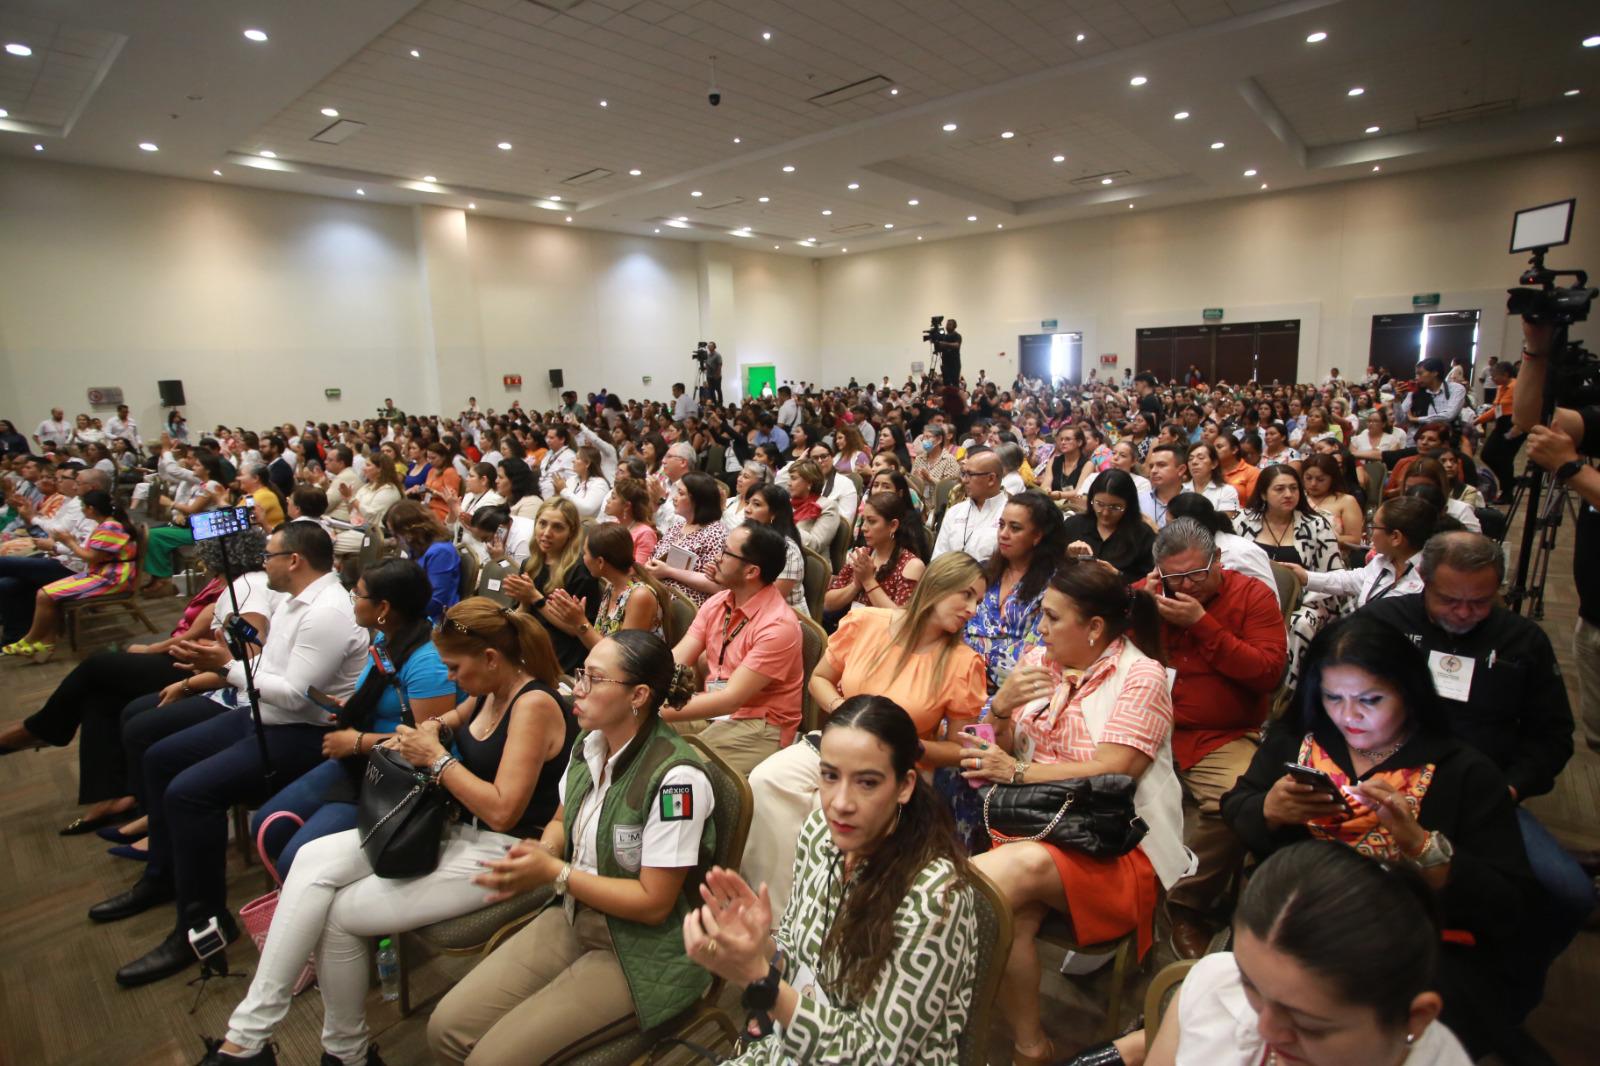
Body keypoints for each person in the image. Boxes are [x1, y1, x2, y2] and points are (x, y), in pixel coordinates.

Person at [193, 598, 576, 1066]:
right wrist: (427, 731)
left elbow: (501, 811)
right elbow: (446, 721)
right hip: (453, 828)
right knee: (312, 860)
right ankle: (253, 1038)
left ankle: (333, 1052)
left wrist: (435, 758)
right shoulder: (490, 689)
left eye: (455, 668)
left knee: (337, 913)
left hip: (507, 849)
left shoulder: (532, 704)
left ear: (492, 658)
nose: (451, 680)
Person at [1219, 616, 1537, 1060]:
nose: (1349, 716)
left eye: (1371, 699)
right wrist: (1267, 811)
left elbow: (1509, 905)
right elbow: (1239, 807)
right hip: (1293, 935)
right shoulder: (1300, 743)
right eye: (1333, 697)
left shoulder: (1462, 771)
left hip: (1408, 956)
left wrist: (1423, 847)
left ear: (1408, 692)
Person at [91, 522, 369, 989]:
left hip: (303, 734)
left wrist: (225, 667)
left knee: (188, 793)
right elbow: (269, 668)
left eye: (271, 554)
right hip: (264, 714)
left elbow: (296, 696)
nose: (264, 561)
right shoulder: (291, 600)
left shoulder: (327, 612)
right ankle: (164, 874)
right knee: (159, 757)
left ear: (295, 560)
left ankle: (201, 925)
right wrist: (230, 663)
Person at [425, 631, 714, 1064]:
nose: (577, 689)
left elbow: (653, 904)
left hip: (638, 947)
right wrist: (545, 849)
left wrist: (555, 873)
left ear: (638, 695)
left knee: (489, 1060)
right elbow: (563, 820)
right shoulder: (590, 741)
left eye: (595, 680)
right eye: (582, 674)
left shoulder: (678, 781)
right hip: (575, 914)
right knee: (446, 1030)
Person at [964, 559, 1186, 1066]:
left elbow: (1116, 769)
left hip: (1114, 842)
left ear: (1094, 628)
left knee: (987, 886)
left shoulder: (1141, 675)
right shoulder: (1040, 661)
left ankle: (908, 978)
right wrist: (999, 707)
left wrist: (1016, 773)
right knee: (1008, 919)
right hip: (1040, 824)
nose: (1039, 628)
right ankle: (1031, 1048)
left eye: (1051, 617)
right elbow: (1001, 746)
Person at [1360, 532, 1593, 1013]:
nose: (1464, 612)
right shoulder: (1381, 625)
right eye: (1451, 600)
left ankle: (1508, 987)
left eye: (1479, 602)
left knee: (1568, 894)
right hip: (1386, 793)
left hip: (1487, 802)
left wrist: (1510, 788)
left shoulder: (1521, 641)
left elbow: (1551, 737)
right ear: (1422, 581)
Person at [689, 697, 980, 1065]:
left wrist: (760, 981)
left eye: (867, 783)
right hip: (795, 1045)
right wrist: (759, 947)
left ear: (905, 786)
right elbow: (797, 954)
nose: (840, 803)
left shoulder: (935, 895)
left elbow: (877, 1056)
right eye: (829, 776)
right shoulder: (819, 833)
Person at [745, 554, 987, 916]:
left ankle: (822, 916)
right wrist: (848, 714)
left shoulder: (963, 662)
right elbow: (820, 679)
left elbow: (960, 749)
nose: (972, 609)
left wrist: (915, 744)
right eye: (966, 595)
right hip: (838, 744)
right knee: (766, 780)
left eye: (978, 601)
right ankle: (773, 909)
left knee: (826, 813)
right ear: (939, 585)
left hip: (896, 766)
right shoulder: (867, 621)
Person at [1086, 841, 1474, 1066]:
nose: (1265, 1028)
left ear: (1415, 1019)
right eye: (1250, 984)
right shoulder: (1216, 981)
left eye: (1309, 1024)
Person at [251, 559, 457, 876]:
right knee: (267, 823)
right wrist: (351, 707)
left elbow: (430, 743)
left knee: (295, 856)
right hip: (366, 761)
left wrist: (358, 742)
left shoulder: (428, 661)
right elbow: (384, 697)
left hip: (401, 778)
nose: (352, 601)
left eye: (357, 595)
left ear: (383, 607)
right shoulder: (384, 639)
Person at [1142, 518, 1286, 958]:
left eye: (1196, 574)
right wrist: (1136, 611)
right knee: (1093, 783)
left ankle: (1186, 904)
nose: (1186, 585)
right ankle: (1115, 897)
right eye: (1174, 577)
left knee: (1237, 804)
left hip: (1218, 734)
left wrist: (1203, 624)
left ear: (1218, 561)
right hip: (1147, 726)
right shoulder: (1148, 593)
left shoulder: (1251, 595)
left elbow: (1268, 673)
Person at [665, 522, 803, 776]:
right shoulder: (719, 602)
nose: (717, 558)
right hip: (715, 708)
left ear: (751, 571)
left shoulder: (778, 626)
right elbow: (677, 659)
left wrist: (656, 709)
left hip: (759, 724)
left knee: (677, 769)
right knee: (632, 730)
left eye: (726, 553)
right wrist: (640, 693)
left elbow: (731, 699)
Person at [0, 489, 139, 662]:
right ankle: (45, 641)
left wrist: (69, 542)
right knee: (48, 591)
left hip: (112, 579)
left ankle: (29, 640)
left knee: (45, 594)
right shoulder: (105, 524)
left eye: (82, 506)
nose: (80, 510)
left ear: (91, 509)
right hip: (100, 574)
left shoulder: (110, 527)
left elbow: (91, 556)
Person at [503, 497, 600, 674]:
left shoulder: (580, 572)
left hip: (562, 660)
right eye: (543, 524)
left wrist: (535, 598)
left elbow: (576, 630)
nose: (547, 533)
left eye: (557, 527)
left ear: (571, 533)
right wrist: (524, 603)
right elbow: (521, 615)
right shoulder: (530, 564)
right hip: (531, 648)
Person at [553, 521, 663, 649]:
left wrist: (580, 623)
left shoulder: (640, 596)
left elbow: (622, 656)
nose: (583, 558)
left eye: (585, 553)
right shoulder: (611, 585)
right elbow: (599, 644)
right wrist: (575, 621)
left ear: (600, 562)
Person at [825, 491, 926, 612]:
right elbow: (827, 604)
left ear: (893, 525)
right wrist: (855, 585)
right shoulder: (862, 555)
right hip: (851, 626)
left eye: (872, 521)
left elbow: (901, 618)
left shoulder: (911, 565)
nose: (864, 527)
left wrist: (868, 581)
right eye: (864, 520)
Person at [1235, 463, 1344, 571]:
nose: (1288, 494)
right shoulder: (1242, 520)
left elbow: (1333, 574)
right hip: (1249, 587)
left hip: (1303, 587)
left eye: (1293, 488)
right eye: (1279, 489)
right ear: (1263, 494)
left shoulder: (1317, 525)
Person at [644, 471, 729, 607]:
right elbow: (654, 557)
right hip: (657, 595)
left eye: (681, 494)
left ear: (698, 500)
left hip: (684, 605)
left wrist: (669, 572)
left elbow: (716, 585)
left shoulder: (715, 532)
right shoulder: (677, 526)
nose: (674, 498)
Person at [1061, 469, 1156, 584]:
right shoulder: (1073, 525)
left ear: (1129, 505)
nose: (1105, 513)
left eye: (1115, 507)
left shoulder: (1143, 535)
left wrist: (1117, 575)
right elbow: (1052, 566)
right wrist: (1068, 555)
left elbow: (1148, 581)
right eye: (1099, 504)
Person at [741, 483, 812, 617]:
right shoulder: (745, 537)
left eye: (756, 504)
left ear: (773, 514)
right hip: (749, 607)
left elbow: (772, 598)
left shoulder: (788, 550)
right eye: (747, 503)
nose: (747, 509)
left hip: (783, 617)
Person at [383, 499, 459, 622]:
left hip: (434, 621)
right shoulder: (417, 547)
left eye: (397, 535)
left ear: (410, 530)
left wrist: (397, 611)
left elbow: (437, 603)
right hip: (415, 612)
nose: (396, 540)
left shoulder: (441, 552)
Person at [931, 447, 1009, 562]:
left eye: (970, 474)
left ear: (991, 479)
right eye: (963, 474)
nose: (964, 480)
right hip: (951, 576)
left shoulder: (1010, 513)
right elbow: (938, 559)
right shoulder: (955, 511)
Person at [1300, 453, 1365, 548]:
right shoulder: (1296, 497)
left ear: (1332, 479)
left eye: (1320, 479)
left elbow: (1354, 540)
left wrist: (1319, 538)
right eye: (1308, 478)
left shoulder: (1347, 501)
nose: (1313, 483)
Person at [1398, 357, 1468, 444]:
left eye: (1420, 374)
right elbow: (1400, 420)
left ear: (1435, 373)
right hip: (1414, 442)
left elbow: (1449, 415)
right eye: (1416, 374)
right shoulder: (1415, 392)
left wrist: (1417, 419)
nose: (1416, 378)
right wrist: (1396, 400)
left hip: (1442, 444)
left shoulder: (1455, 389)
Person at [786, 460, 843, 555]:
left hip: (809, 563)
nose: (789, 483)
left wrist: (785, 525)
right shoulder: (787, 502)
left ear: (809, 483)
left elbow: (816, 545)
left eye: (793, 478)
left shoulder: (828, 507)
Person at [605, 475, 659, 564]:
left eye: (613, 497)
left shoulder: (645, 534)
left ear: (626, 506)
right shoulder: (614, 524)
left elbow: (639, 571)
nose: (608, 500)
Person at [1184, 441, 1240, 516]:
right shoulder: (1181, 489)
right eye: (1190, 459)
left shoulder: (1228, 491)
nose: (1194, 462)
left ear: (1214, 464)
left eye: (1201, 458)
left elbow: (1226, 523)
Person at [722, 459, 770, 527]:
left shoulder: (758, 510)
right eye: (740, 475)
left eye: (745, 477)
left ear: (759, 483)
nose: (739, 479)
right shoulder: (729, 501)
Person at [1214, 431, 1259, 504]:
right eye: (1213, 447)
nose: (1214, 450)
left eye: (1219, 447)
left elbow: (1252, 505)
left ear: (1234, 450)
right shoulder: (1211, 470)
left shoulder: (1252, 472)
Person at [935, 317, 963, 386]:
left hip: (954, 364)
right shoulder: (944, 337)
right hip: (945, 364)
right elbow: (940, 349)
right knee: (946, 384)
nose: (947, 326)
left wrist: (944, 344)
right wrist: (937, 343)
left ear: (954, 326)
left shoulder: (957, 336)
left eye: (949, 324)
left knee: (954, 384)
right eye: (947, 324)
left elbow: (957, 345)